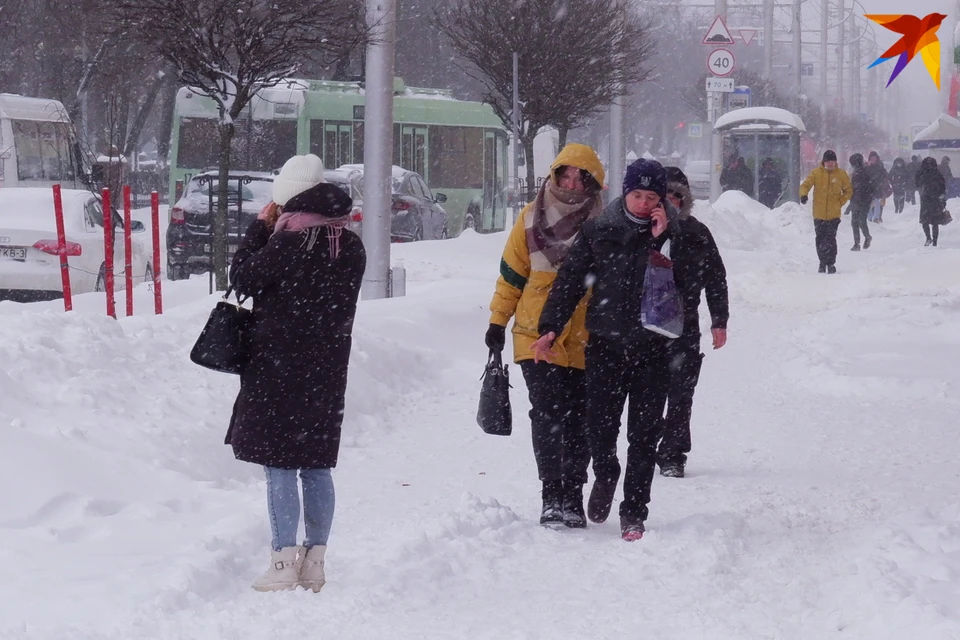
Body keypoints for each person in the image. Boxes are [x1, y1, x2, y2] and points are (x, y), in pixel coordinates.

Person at [226, 154, 366, 592]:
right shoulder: (352, 245)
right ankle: (315, 562)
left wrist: (258, 230)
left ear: (285, 197)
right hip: (326, 369)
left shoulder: (286, 243)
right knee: (317, 466)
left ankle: (283, 563)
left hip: (278, 367)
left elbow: (242, 278)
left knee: (281, 467)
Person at [532, 158, 680, 541]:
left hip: (654, 351)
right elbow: (569, 282)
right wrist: (549, 328)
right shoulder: (599, 230)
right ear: (624, 193)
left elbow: (692, 282)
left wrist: (662, 238)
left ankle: (634, 512)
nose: (643, 203)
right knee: (600, 430)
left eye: (652, 196)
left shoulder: (679, 235)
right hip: (606, 348)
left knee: (645, 435)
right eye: (636, 194)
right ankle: (607, 470)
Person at [486, 144, 605, 529]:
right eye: (565, 175)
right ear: (553, 175)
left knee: (582, 418)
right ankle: (551, 495)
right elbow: (511, 276)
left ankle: (574, 492)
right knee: (548, 414)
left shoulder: (604, 224)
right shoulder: (528, 219)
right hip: (535, 333)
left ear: (592, 183)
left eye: (580, 177)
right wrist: (497, 323)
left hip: (588, 337)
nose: (571, 183)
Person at [656, 167, 729, 479]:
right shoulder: (640, 230)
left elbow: (715, 278)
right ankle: (649, 445)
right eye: (666, 196)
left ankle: (673, 453)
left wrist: (719, 320)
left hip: (685, 326)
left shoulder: (698, 233)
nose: (672, 202)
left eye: (677, 196)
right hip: (646, 329)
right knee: (648, 393)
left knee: (682, 393)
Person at [799, 150, 852, 273]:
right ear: (824, 162)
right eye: (828, 161)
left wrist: (840, 202)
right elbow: (805, 185)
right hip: (819, 213)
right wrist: (803, 195)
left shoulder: (841, 174)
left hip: (834, 214)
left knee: (831, 239)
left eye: (832, 161)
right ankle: (822, 262)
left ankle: (831, 263)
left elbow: (848, 191)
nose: (830, 164)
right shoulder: (816, 173)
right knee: (820, 239)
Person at [918, 156, 947, 247]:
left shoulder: (923, 173)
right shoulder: (937, 174)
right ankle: (933, 240)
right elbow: (943, 187)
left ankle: (930, 239)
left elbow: (917, 183)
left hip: (928, 200)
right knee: (934, 222)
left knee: (926, 221)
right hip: (934, 200)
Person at [848, 153, 874, 252]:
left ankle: (860, 241)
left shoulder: (861, 172)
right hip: (860, 200)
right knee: (858, 221)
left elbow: (861, 187)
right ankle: (860, 241)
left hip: (861, 200)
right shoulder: (862, 171)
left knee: (858, 221)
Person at [866, 151, 889, 223]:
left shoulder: (880, 166)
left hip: (878, 187)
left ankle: (876, 218)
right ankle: (869, 217)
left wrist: (881, 182)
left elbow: (885, 174)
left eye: (874, 158)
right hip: (869, 187)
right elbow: (865, 175)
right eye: (872, 158)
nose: (873, 159)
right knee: (868, 203)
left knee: (877, 202)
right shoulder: (867, 166)